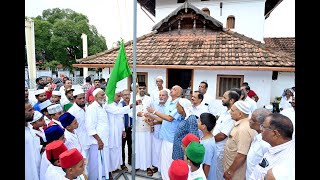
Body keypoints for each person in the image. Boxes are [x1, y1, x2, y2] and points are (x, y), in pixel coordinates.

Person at [146, 85, 183, 180]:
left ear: (179, 93)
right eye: (172, 88)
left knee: (169, 161)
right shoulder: (170, 103)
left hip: (172, 138)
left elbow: (170, 118)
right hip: (165, 137)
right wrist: (150, 116)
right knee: (164, 161)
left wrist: (154, 112)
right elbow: (163, 119)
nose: (172, 90)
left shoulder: (178, 104)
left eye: (174, 89)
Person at [249, 113, 295, 180]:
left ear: (275, 133)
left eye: (263, 127)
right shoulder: (274, 147)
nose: (261, 129)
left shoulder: (287, 160)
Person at [223, 100, 257, 180]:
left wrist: (230, 172)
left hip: (236, 174)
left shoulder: (243, 129)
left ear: (240, 114)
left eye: (232, 111)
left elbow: (241, 155)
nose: (230, 112)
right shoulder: (241, 124)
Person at [104, 89, 136, 173]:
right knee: (111, 151)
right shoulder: (108, 105)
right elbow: (117, 111)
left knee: (118, 149)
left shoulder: (118, 105)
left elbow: (121, 118)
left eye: (120, 96)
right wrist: (130, 106)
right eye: (118, 96)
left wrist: (123, 130)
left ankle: (115, 167)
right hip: (111, 133)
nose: (120, 98)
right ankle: (109, 171)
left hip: (118, 131)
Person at [212, 90, 239, 180]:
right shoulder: (224, 112)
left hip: (220, 149)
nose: (222, 99)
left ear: (231, 101)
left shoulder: (231, 116)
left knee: (218, 172)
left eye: (224, 97)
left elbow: (222, 135)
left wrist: (208, 140)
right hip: (215, 146)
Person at [85, 88, 110, 180]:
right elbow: (90, 127)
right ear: (95, 97)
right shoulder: (92, 108)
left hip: (103, 140)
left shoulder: (102, 106)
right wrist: (99, 141)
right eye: (102, 95)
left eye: (104, 94)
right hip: (97, 142)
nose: (104, 96)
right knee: (96, 165)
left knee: (103, 163)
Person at [246, 108, 272, 179]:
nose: (249, 121)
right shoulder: (257, 137)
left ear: (262, 124)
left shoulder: (266, 143)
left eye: (253, 120)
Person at [67, 89, 90, 160]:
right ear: (74, 99)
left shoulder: (87, 108)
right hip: (80, 142)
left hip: (90, 140)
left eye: (83, 98)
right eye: (80, 98)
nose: (82, 100)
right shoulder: (71, 112)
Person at [198, 113, 217, 179]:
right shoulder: (205, 137)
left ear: (204, 126)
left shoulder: (208, 144)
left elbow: (206, 165)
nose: (198, 122)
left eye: (199, 121)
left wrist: (203, 178)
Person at [25, 102, 41, 180]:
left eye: (33, 109)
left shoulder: (30, 128)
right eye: (29, 110)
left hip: (37, 170)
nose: (33, 112)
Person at [121, 89, 133, 168]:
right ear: (122, 96)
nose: (127, 96)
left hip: (131, 129)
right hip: (123, 129)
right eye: (125, 94)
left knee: (131, 146)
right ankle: (122, 164)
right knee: (122, 147)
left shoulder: (133, 103)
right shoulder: (120, 105)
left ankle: (130, 161)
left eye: (128, 94)